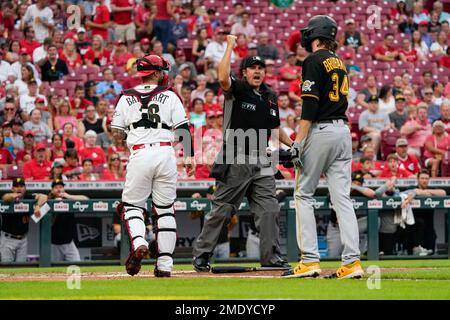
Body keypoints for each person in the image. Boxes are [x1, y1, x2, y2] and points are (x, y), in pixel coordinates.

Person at [192, 35, 292, 272]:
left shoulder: (270, 96)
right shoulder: (237, 88)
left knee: (269, 209)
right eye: (253, 68)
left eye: (261, 68)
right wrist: (229, 46)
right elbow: (222, 76)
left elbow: (275, 130)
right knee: (223, 209)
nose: (258, 72)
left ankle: (271, 257)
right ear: (244, 72)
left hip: (263, 157)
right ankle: (203, 254)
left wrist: (294, 145)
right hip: (236, 154)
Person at [285, 15, 364, 279]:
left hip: (320, 130)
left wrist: (298, 142)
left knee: (303, 194)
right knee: (342, 199)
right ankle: (352, 263)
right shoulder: (339, 62)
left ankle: (309, 261)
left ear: (315, 35)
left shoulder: (313, 60)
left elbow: (309, 105)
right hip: (343, 131)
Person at [112, 54, 195, 277]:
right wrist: (189, 156)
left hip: (139, 153)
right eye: (163, 71)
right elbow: (183, 128)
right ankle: (165, 264)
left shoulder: (125, 97)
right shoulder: (170, 96)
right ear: (157, 73)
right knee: (166, 209)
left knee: (132, 206)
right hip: (165, 153)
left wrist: (130, 134)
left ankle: (139, 242)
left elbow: (117, 133)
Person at [0, 177, 47, 262]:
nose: (19, 188)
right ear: (12, 188)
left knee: (21, 268)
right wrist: (13, 196)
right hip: (8, 240)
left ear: (25, 188)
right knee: (6, 268)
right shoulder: (7, 197)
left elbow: (44, 196)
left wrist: (38, 206)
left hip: (23, 240)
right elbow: (5, 197)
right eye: (16, 186)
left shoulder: (28, 197)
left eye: (21, 186)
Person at [44, 179, 87, 261]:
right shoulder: (48, 202)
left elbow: (86, 199)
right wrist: (53, 204)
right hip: (54, 244)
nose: (59, 189)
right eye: (56, 187)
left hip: (69, 243)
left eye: (61, 187)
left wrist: (69, 196)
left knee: (76, 265)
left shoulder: (69, 201)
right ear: (52, 190)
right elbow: (40, 218)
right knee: (54, 270)